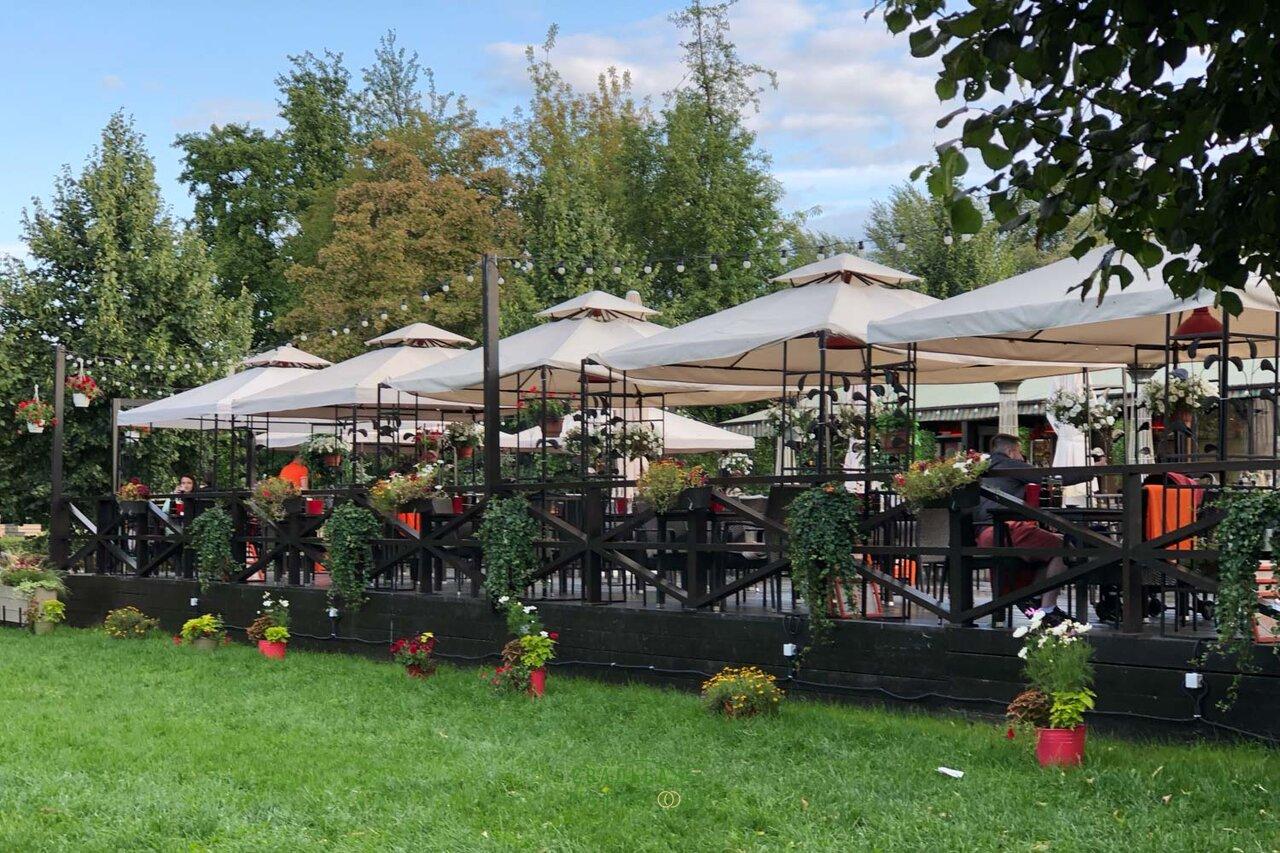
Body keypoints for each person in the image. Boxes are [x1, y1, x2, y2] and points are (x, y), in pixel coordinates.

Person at [973, 434, 1092, 625]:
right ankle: (1047, 608)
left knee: (1053, 543)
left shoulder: (979, 467)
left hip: (983, 534)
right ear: (1011, 451)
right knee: (1066, 548)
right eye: (1020, 452)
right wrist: (1091, 472)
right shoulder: (1009, 465)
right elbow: (1050, 477)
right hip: (1005, 530)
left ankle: (1035, 598)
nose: (1022, 457)